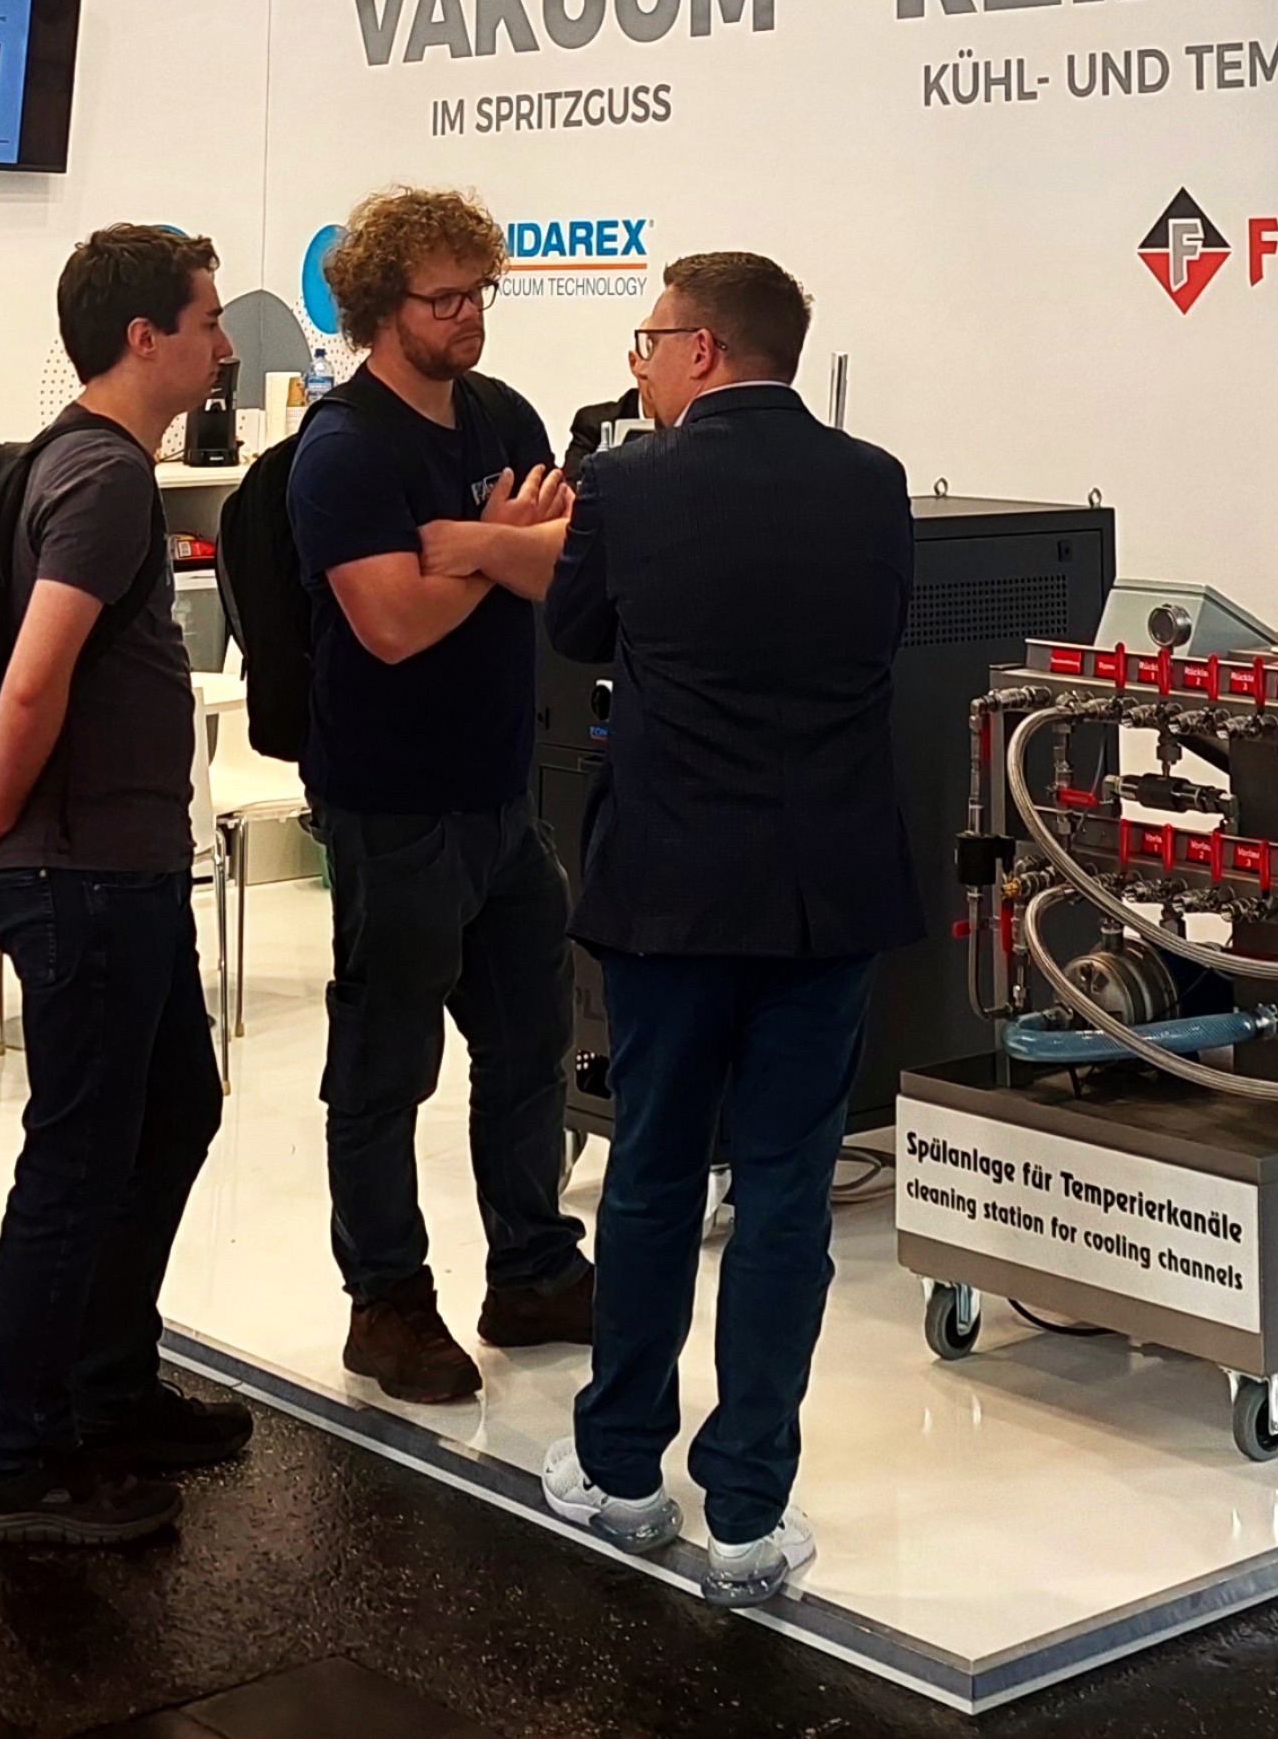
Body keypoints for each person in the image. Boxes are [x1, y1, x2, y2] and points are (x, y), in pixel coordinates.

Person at [533, 251, 912, 1605]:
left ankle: (623, 1474)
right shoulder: (872, 483)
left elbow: (576, 628)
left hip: (673, 890)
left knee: (651, 1174)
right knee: (787, 1194)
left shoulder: (628, 482)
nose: (639, 363)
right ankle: (750, 1511)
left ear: (700, 348)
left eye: (648, 340)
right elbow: (880, 640)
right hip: (824, 892)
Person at [0, 225, 244, 1551]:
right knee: (79, 1159)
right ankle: (21, 1468)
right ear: (142, 338)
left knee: (173, 1112)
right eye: (207, 320)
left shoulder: (81, 461)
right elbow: (35, 675)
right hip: (81, 870)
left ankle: (109, 1392)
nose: (225, 344)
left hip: (118, 864)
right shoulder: (102, 478)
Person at [283, 185, 594, 1405]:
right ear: (379, 308)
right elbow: (393, 626)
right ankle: (387, 1303)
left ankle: (532, 1270)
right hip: (392, 800)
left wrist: (466, 546)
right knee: (385, 1066)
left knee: (528, 1047)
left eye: (479, 293)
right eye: (443, 299)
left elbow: (564, 560)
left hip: (501, 792)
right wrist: (491, 553)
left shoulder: (502, 414)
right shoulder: (345, 448)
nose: (469, 316)